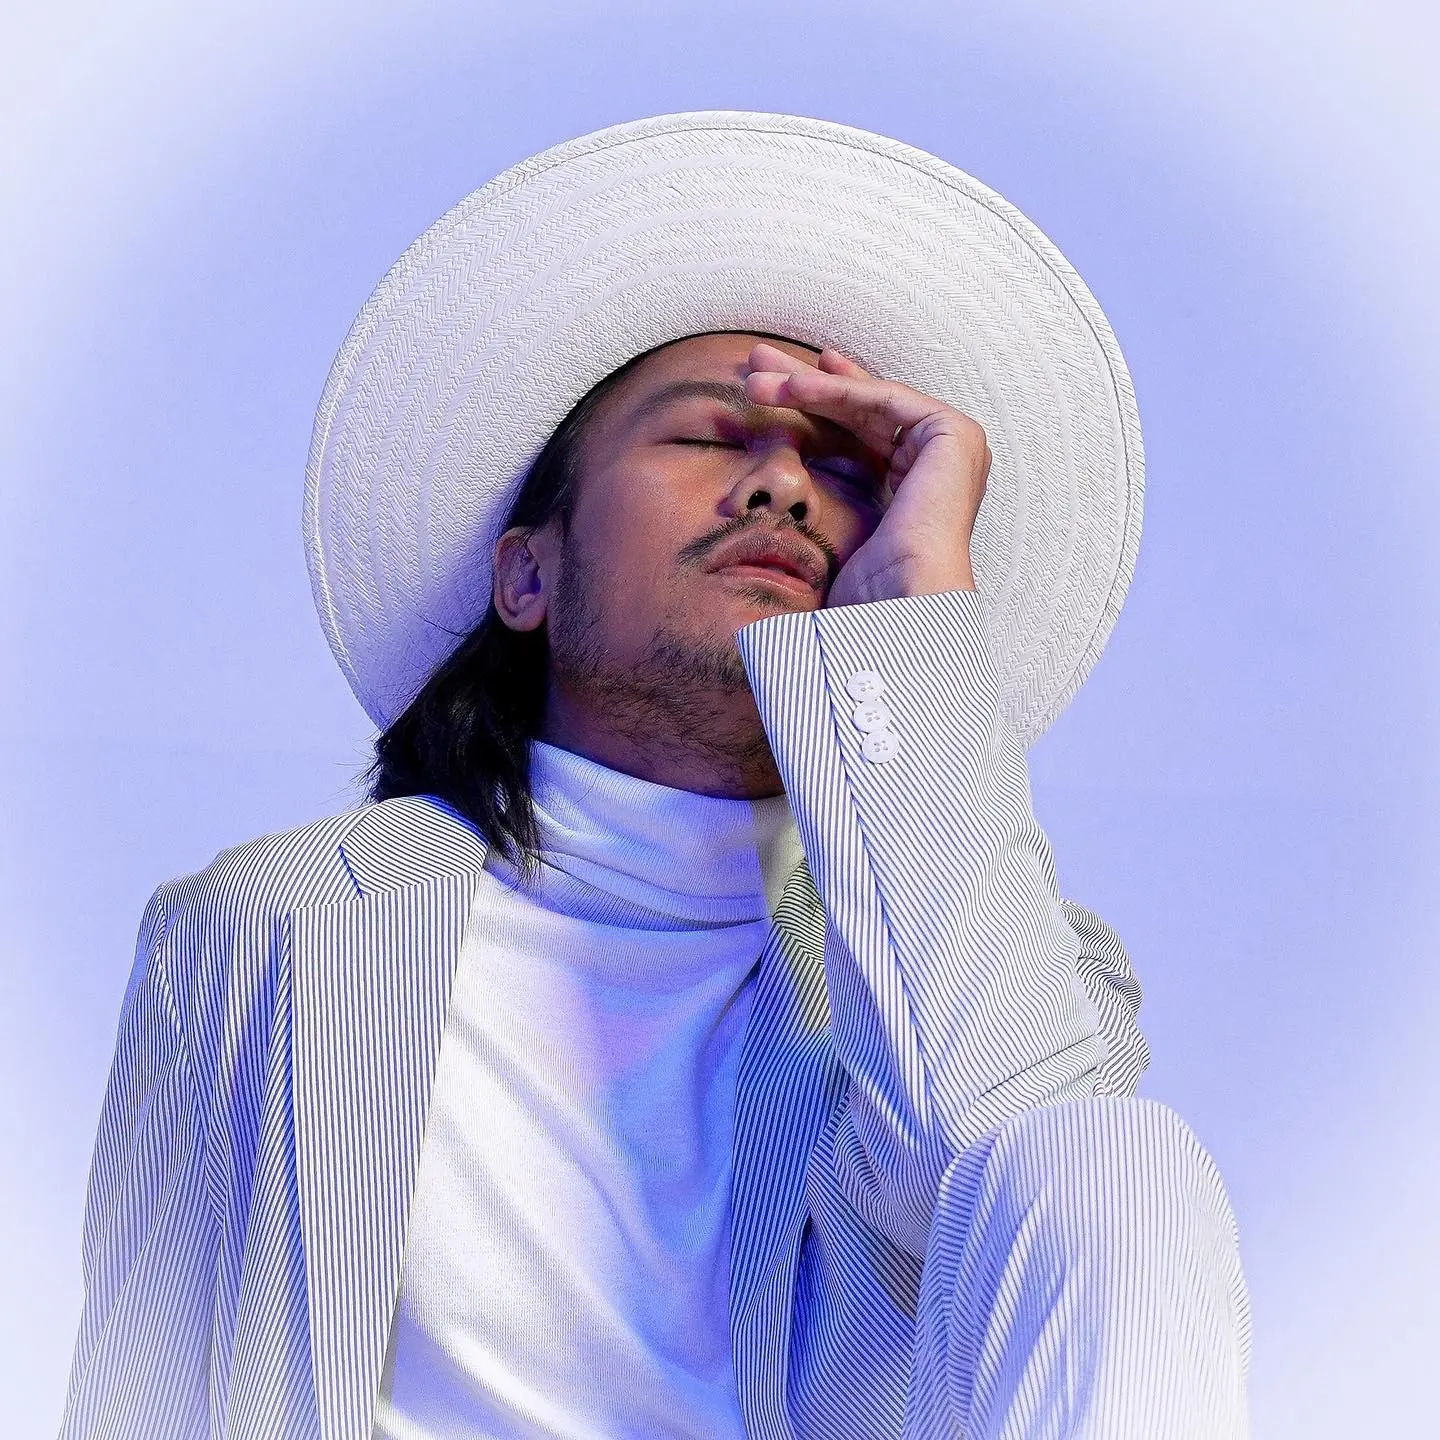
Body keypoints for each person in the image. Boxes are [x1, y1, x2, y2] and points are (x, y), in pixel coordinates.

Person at [59, 113, 1252, 1439]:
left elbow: (1033, 1194)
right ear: (527, 573)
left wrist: (912, 625)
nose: (784, 490)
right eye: (708, 440)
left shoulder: (1035, 970)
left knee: (1112, 1158)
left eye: (842, 471)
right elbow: (135, 1390)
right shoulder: (269, 930)